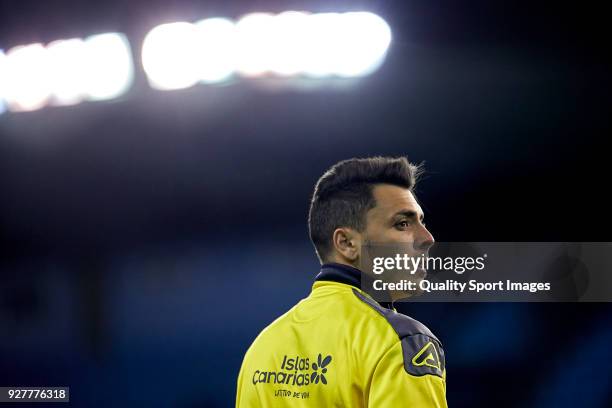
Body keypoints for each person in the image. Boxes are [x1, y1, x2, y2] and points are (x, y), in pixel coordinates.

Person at [236, 157, 447, 407]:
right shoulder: (402, 341)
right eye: (402, 224)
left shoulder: (262, 348)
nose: (428, 238)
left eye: (421, 222)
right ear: (346, 243)